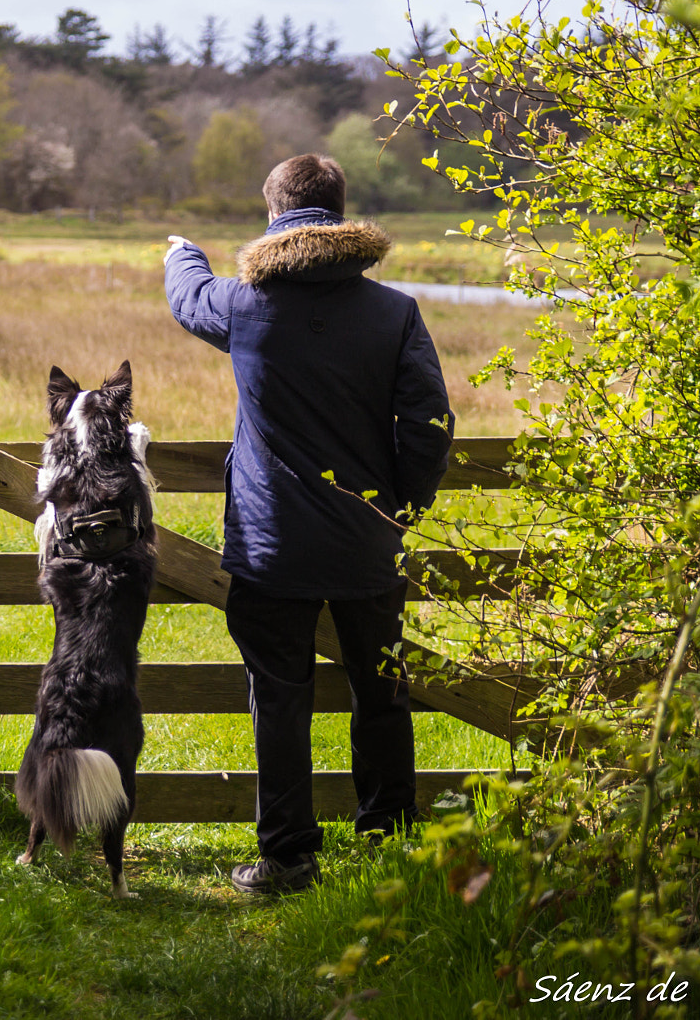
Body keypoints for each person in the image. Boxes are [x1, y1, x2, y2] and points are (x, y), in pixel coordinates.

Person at [162, 154, 453, 895]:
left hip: (272, 544)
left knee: (280, 701)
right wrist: (402, 508)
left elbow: (188, 296)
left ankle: (288, 858)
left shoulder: (243, 307)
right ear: (341, 208)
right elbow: (429, 425)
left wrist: (181, 253)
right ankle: (390, 840)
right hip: (365, 541)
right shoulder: (394, 312)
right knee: (382, 692)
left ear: (273, 212)